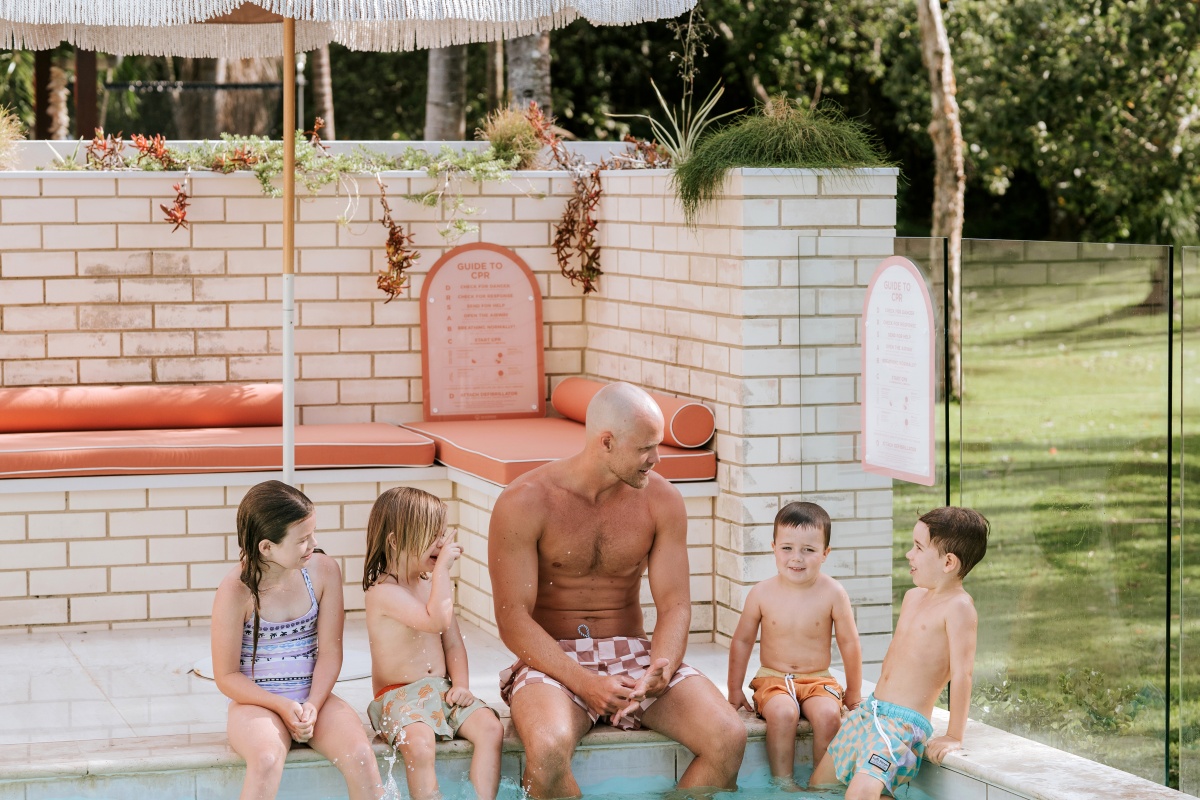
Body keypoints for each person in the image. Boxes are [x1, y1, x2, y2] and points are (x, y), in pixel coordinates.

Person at [489, 381, 746, 800]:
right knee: (549, 752)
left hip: (634, 654)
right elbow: (513, 619)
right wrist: (585, 682)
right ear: (606, 442)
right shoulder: (525, 501)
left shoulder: (661, 500)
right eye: (645, 448)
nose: (656, 459)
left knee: (729, 738)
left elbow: (676, 604)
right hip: (554, 658)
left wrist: (661, 666)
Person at [210, 480, 382, 800]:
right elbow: (227, 676)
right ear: (267, 547)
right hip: (258, 704)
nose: (313, 544)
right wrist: (281, 705)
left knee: (360, 755)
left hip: (315, 698)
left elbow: (330, 652)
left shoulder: (323, 572)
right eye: (303, 539)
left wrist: (313, 704)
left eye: (313, 534)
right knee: (265, 760)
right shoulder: (236, 591)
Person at [809, 506, 990, 799]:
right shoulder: (913, 597)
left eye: (918, 547)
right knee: (818, 786)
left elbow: (963, 674)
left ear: (948, 563)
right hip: (870, 713)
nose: (909, 554)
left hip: (902, 726)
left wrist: (954, 734)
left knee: (860, 794)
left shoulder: (959, 608)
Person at [363, 487, 504, 800]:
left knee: (492, 729)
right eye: (433, 535)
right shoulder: (382, 593)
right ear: (396, 541)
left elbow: (452, 643)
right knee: (420, 744)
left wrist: (462, 685)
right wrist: (442, 572)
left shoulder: (431, 586)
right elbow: (435, 621)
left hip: (441, 691)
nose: (442, 544)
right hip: (398, 698)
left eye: (443, 534)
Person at [726, 501, 862, 787]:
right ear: (773, 547)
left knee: (827, 716)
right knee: (784, 713)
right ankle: (783, 782)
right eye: (787, 548)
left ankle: (821, 783)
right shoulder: (762, 593)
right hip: (773, 680)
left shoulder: (833, 593)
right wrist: (734, 688)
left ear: (825, 553)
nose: (796, 558)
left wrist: (854, 691)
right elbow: (742, 640)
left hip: (817, 679)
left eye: (808, 550)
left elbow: (849, 643)